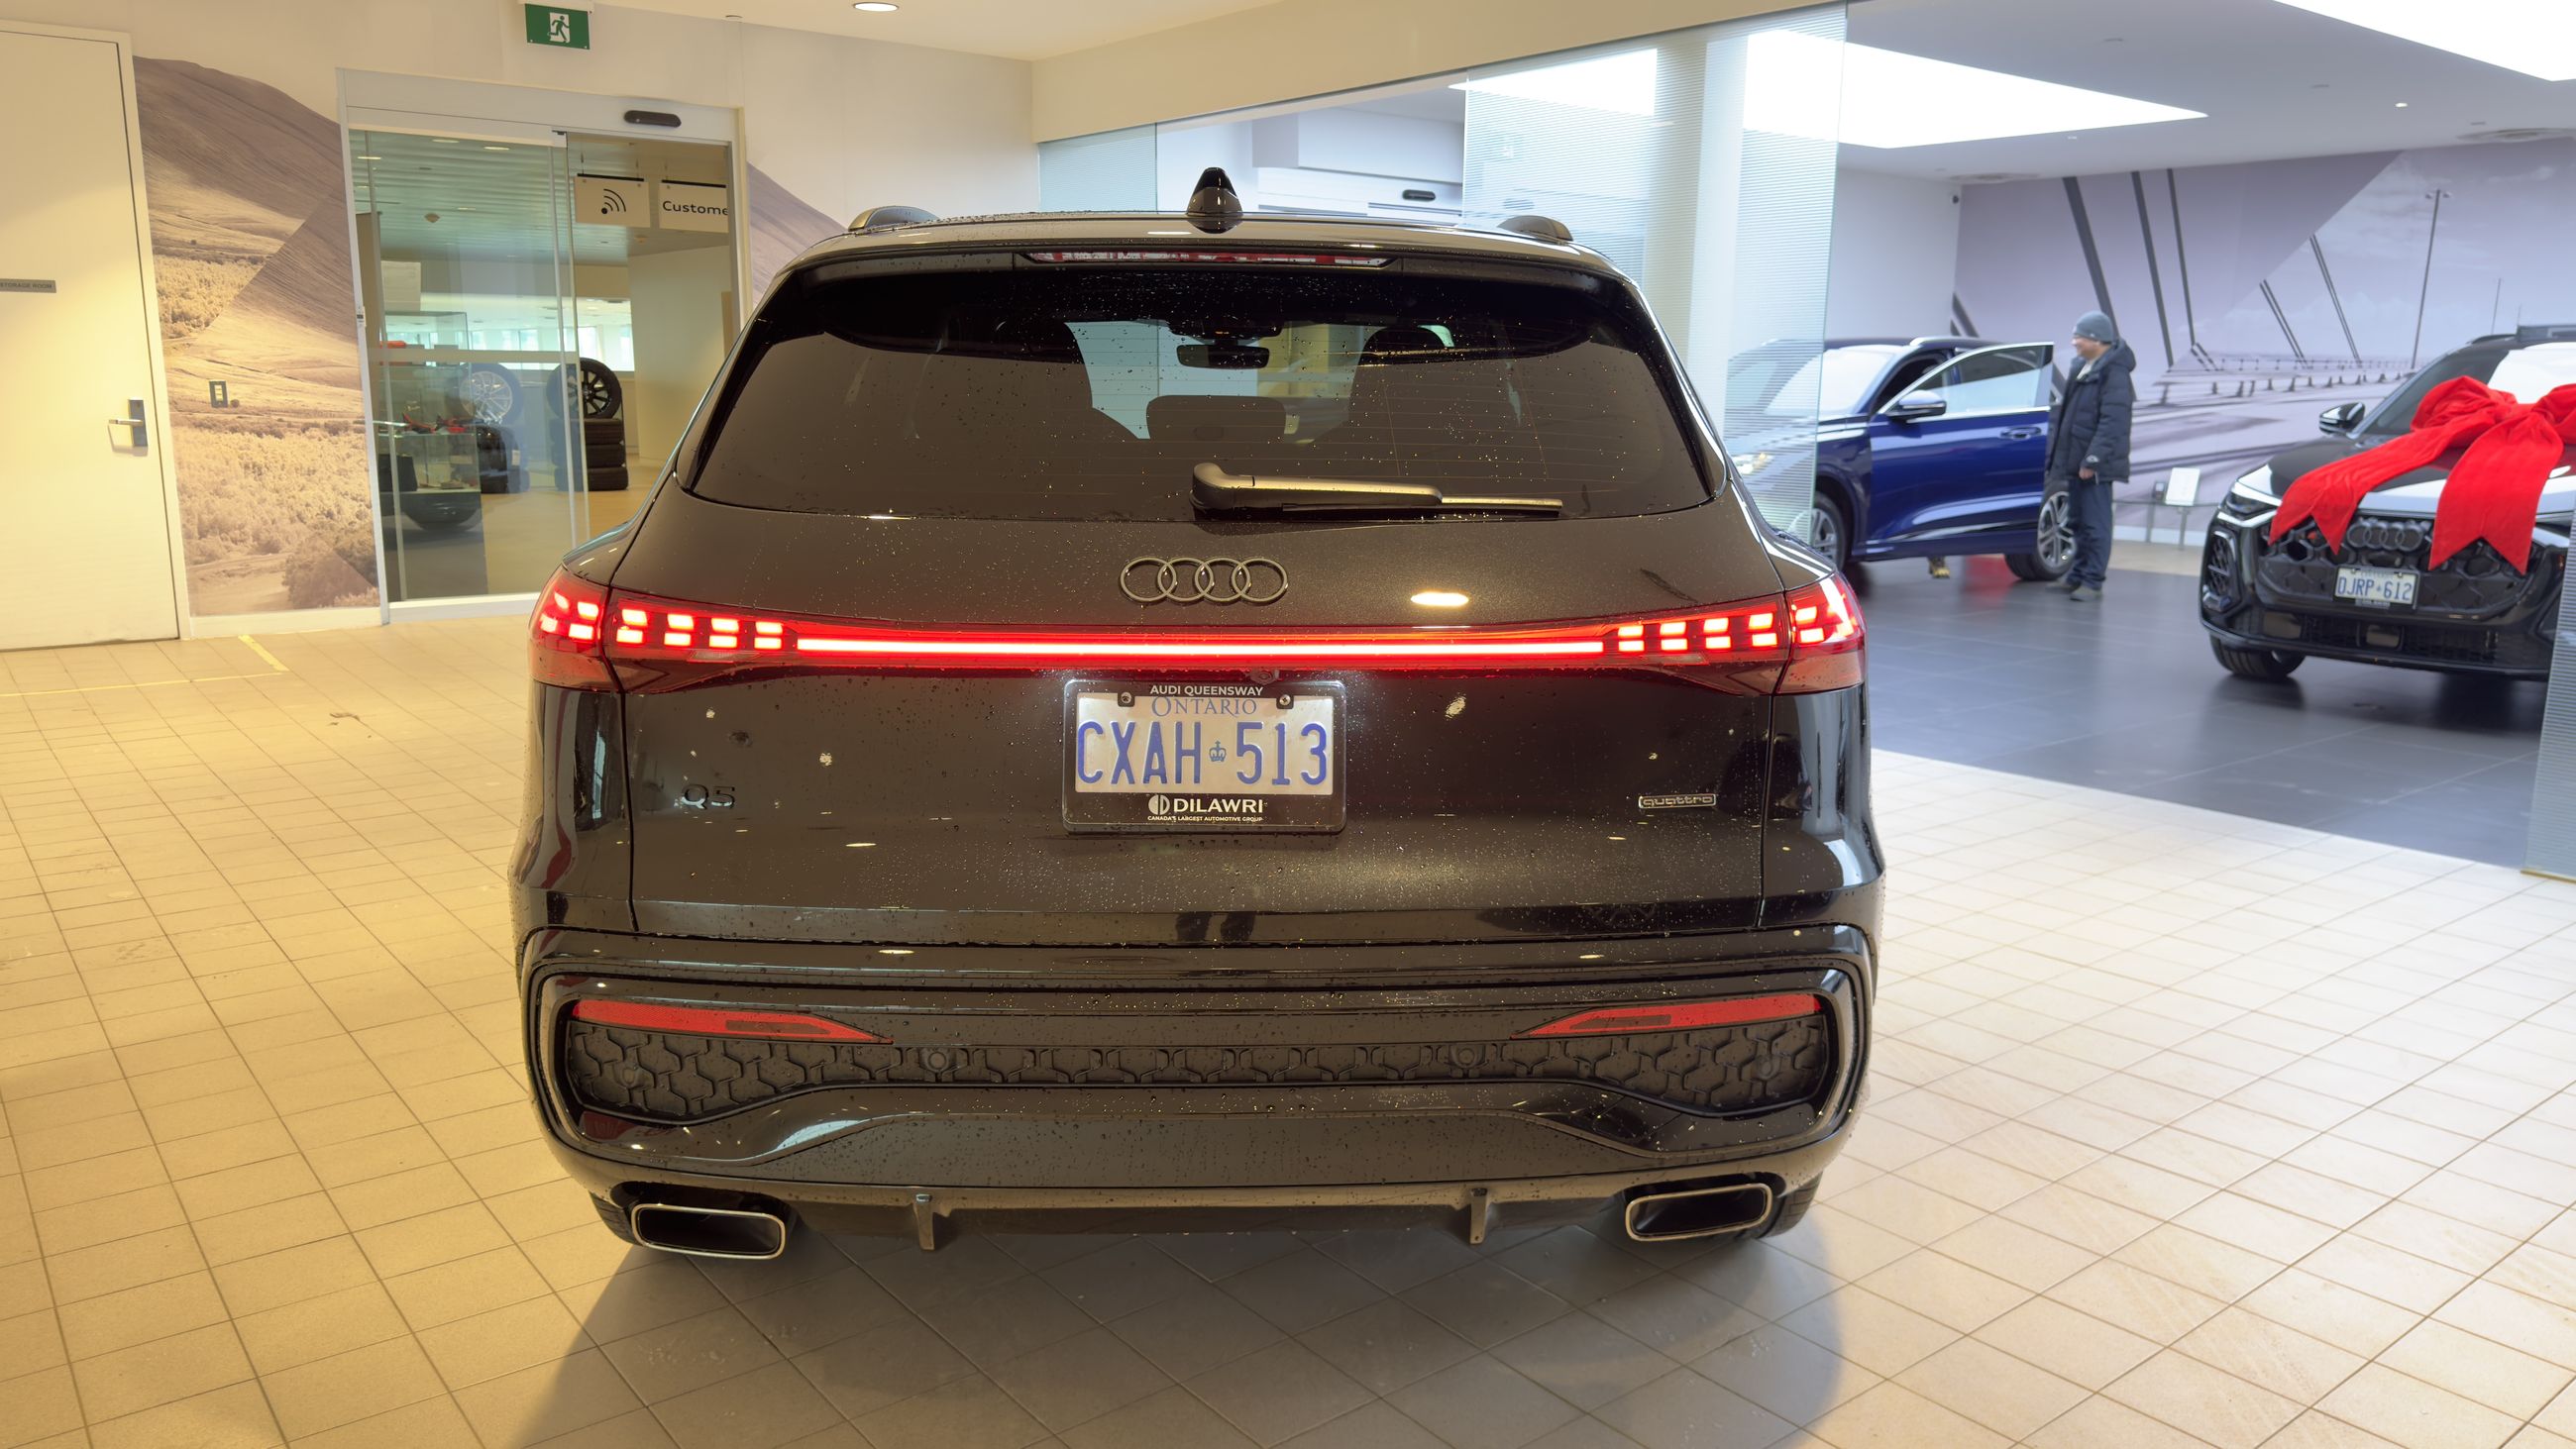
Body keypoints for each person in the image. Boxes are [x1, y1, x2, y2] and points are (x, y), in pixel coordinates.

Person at [2046, 311, 2134, 602]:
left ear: (2096, 339)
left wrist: (2092, 459)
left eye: (2078, 337)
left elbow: (2113, 422)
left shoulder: (2115, 372)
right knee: (2078, 520)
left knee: (2096, 524)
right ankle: (2076, 575)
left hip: (2094, 465)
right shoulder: (2081, 366)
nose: (2073, 343)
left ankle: (2093, 581)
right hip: (2076, 460)